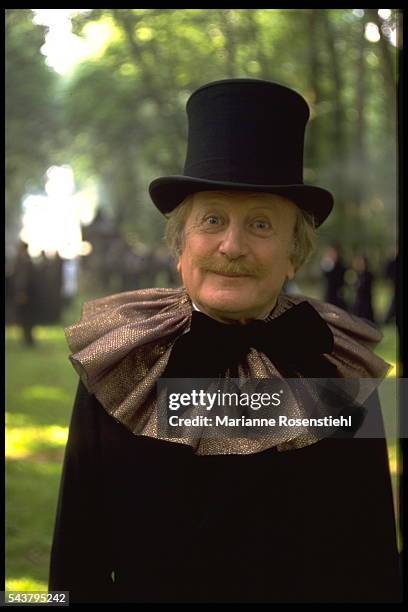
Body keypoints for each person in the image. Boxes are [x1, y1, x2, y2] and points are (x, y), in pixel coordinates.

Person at [48, 79, 401, 603]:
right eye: (212, 219)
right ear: (180, 245)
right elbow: (78, 553)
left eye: (261, 224)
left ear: (293, 254)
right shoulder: (124, 359)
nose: (232, 246)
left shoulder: (337, 364)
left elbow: (370, 555)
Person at [13, 240, 38, 346]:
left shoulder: (24, 262)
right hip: (27, 295)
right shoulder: (27, 260)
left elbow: (23, 279)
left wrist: (21, 292)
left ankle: (28, 340)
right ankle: (27, 339)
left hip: (25, 295)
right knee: (26, 318)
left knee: (26, 318)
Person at [352, 254, 376, 323]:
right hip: (359, 301)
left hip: (366, 301)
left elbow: (363, 286)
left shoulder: (369, 275)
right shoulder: (358, 274)